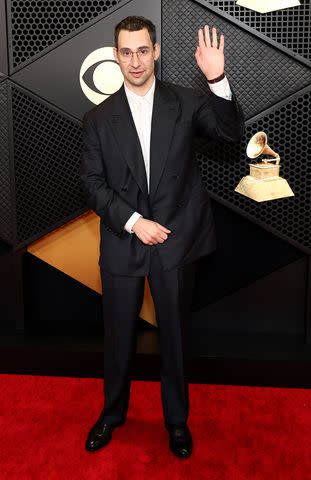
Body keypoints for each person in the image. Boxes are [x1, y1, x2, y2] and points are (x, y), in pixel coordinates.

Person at [80, 16, 244, 459]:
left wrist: (218, 78)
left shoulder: (188, 102)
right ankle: (112, 415)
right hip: (124, 240)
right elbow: (93, 184)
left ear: (156, 51)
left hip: (176, 240)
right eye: (126, 52)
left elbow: (230, 134)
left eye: (143, 50)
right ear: (116, 56)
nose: (135, 60)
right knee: (117, 339)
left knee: (174, 336)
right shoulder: (98, 119)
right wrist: (134, 221)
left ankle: (176, 422)